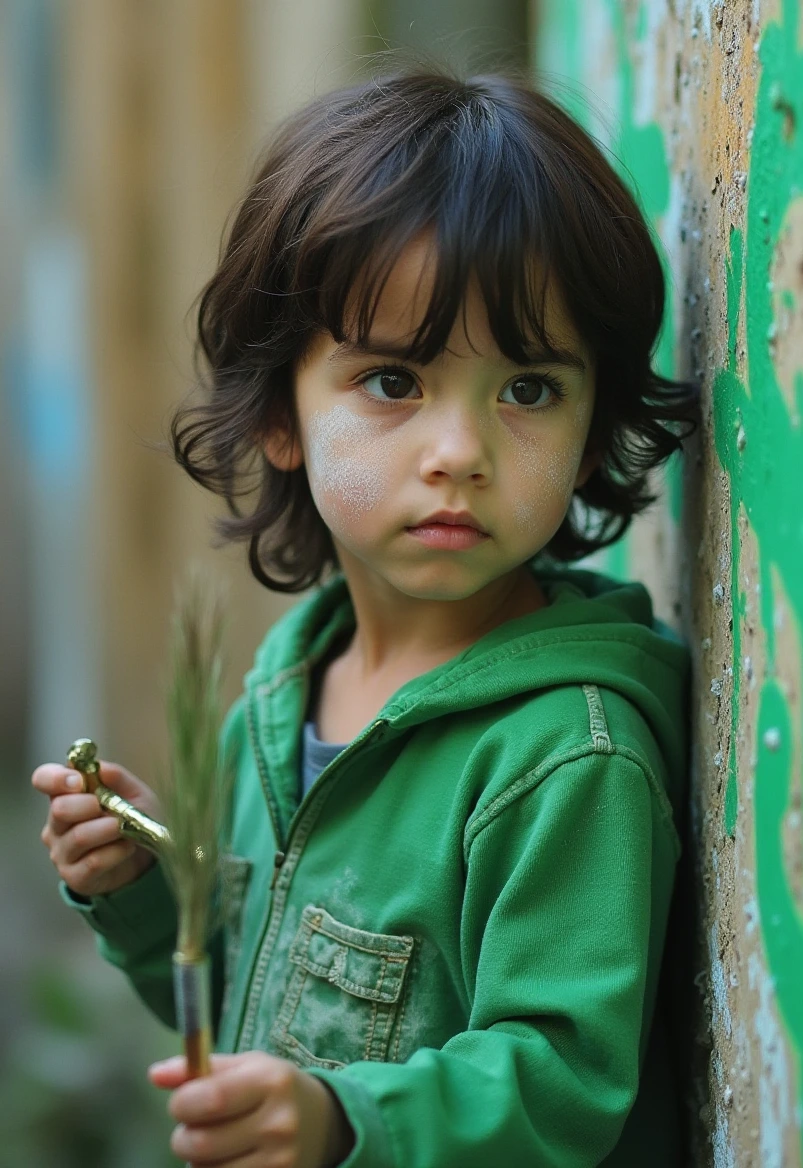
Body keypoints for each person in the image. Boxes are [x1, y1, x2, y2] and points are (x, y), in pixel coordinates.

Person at [33, 69, 698, 1168]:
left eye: (527, 387)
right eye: (392, 380)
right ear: (279, 414)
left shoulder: (565, 758)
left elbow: (564, 1080)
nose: (460, 453)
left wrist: (345, 1119)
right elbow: (253, 999)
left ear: (592, 430)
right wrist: (145, 895)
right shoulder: (289, 688)